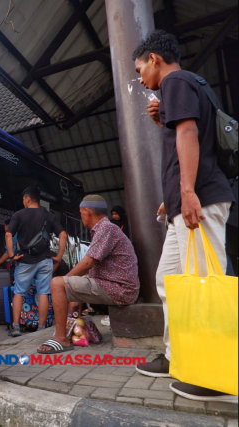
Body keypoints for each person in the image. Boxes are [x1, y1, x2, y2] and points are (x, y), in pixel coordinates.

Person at [132, 30, 236, 402]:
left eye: (140, 68)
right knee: (170, 279)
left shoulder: (175, 80)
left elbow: (190, 133)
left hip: (201, 197)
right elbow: (190, 137)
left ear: (155, 60)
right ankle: (178, 357)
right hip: (188, 200)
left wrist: (188, 191)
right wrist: (174, 196)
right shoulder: (188, 85)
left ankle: (215, 374)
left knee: (206, 282)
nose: (141, 77)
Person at [37, 195, 140, 354]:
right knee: (68, 284)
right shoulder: (105, 229)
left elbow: (87, 263)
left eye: (81, 213)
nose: (81, 216)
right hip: (115, 286)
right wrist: (76, 293)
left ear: (87, 212)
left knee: (57, 283)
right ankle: (68, 331)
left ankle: (61, 339)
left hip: (120, 289)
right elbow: (90, 268)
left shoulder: (106, 229)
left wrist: (66, 281)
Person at [6, 187, 67, 336]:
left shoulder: (18, 215)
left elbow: (8, 235)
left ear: (27, 199)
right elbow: (63, 235)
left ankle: (15, 327)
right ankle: (41, 328)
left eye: (23, 200)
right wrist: (59, 256)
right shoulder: (48, 215)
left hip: (25, 260)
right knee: (44, 293)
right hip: (45, 260)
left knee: (19, 293)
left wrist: (12, 255)